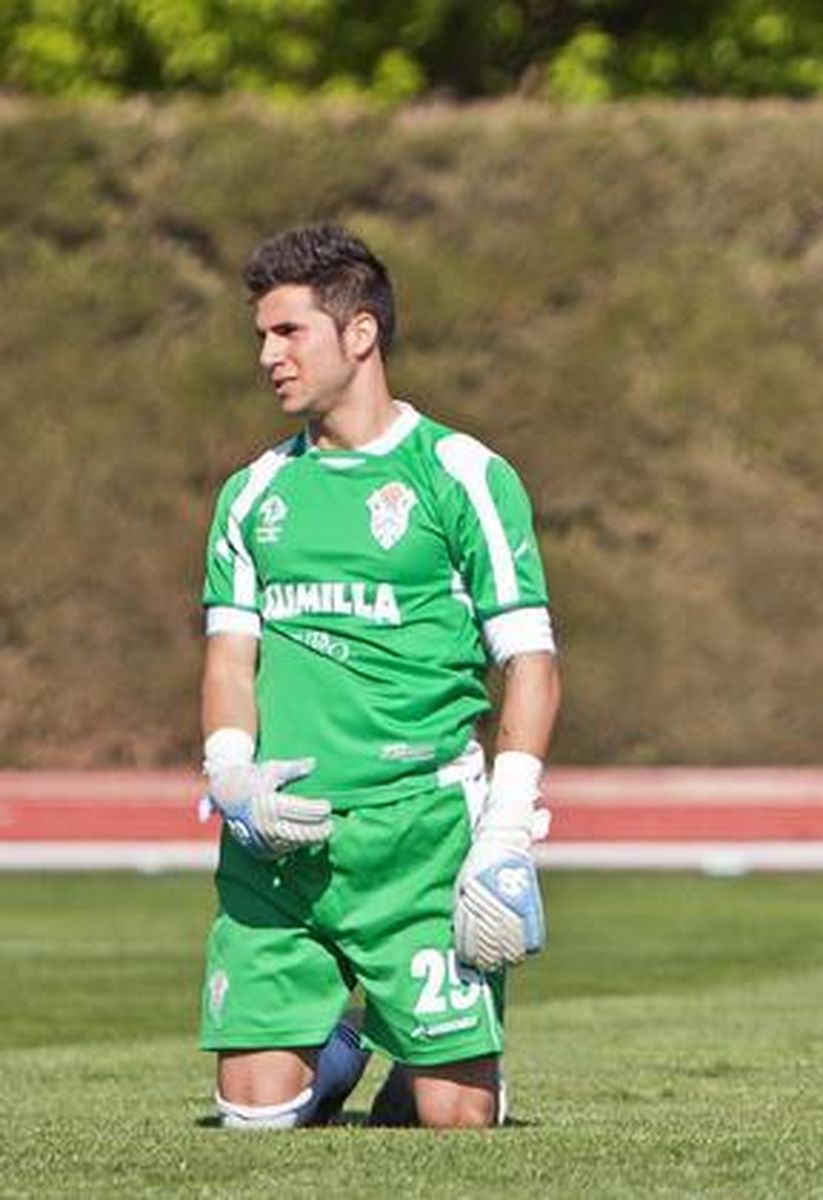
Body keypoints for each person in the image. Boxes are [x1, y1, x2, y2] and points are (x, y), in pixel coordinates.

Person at [197, 224, 561, 1127]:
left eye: (289, 333)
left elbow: (531, 662)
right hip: (280, 850)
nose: (267, 356)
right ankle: (346, 1039)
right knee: (255, 1115)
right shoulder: (251, 495)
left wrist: (507, 830)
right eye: (261, 337)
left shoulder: (460, 475)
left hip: (420, 841)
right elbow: (229, 657)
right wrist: (230, 776)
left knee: (454, 1120)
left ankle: (434, 1055)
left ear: (360, 334)